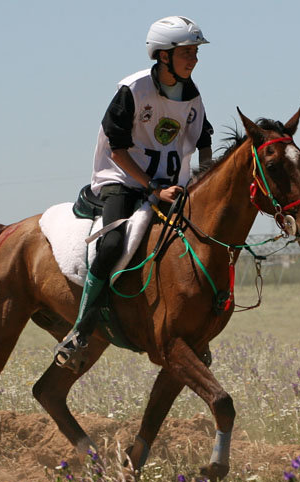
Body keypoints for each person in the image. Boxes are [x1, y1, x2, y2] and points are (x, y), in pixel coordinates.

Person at [55, 15, 214, 368]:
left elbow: (204, 143)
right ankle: (81, 330)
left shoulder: (192, 95)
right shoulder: (133, 89)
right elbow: (117, 150)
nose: (194, 59)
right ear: (163, 55)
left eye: (195, 52)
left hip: (173, 188)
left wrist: (202, 182)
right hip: (123, 181)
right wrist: (152, 187)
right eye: (187, 52)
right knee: (111, 244)